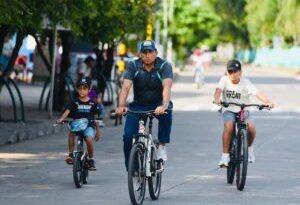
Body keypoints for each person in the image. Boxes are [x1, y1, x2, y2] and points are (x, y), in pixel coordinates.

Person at [116, 40, 173, 170]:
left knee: (168, 110)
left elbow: (167, 86)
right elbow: (125, 87)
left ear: (156, 53)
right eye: (144, 52)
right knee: (127, 136)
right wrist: (121, 105)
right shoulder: (133, 65)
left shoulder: (164, 65)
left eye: (150, 52)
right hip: (138, 105)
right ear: (140, 54)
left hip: (158, 104)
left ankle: (162, 145)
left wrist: (163, 105)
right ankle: (132, 168)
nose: (147, 55)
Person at [214, 60, 274, 167]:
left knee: (251, 127)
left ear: (240, 72)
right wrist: (217, 99)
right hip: (229, 109)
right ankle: (225, 156)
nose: (233, 74)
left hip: (244, 109)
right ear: (227, 72)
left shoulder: (246, 82)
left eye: (235, 71)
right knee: (229, 126)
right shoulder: (224, 80)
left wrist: (267, 102)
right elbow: (218, 90)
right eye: (230, 71)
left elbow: (257, 93)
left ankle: (249, 149)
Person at [56, 77, 101, 170]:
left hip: (89, 126)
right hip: (77, 126)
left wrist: (98, 131)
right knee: (71, 133)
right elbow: (67, 111)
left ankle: (91, 159)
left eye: (84, 89)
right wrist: (61, 119)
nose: (82, 91)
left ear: (89, 90)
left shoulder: (92, 103)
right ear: (77, 89)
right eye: (80, 88)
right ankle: (71, 154)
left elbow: (96, 118)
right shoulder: (74, 101)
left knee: (89, 140)